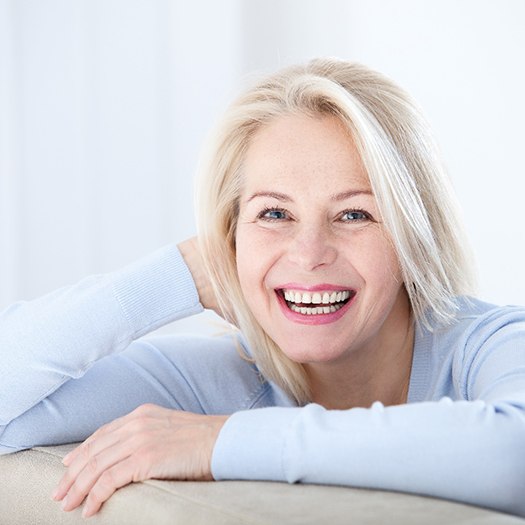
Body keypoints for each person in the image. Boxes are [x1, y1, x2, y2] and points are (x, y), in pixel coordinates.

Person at [1, 58, 525, 519]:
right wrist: (177, 274)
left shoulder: (490, 344)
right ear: (230, 236)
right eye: (274, 213)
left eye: (354, 214)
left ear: (415, 236)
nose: (308, 252)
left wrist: (218, 442)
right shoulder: (217, 380)